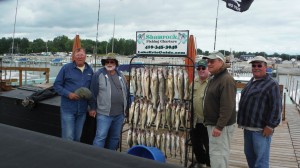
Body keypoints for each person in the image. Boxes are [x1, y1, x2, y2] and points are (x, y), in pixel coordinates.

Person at [237, 56, 282, 168]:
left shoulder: (272, 84)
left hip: (261, 130)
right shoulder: (252, 81)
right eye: (254, 65)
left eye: (259, 65)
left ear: (265, 67)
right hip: (247, 128)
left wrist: (270, 126)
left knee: (261, 161)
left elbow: (276, 107)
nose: (256, 68)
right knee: (250, 156)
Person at [202, 51, 236, 168]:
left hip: (220, 126)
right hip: (213, 124)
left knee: (218, 155)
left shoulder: (226, 79)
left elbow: (228, 106)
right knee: (216, 153)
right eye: (208, 61)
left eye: (212, 61)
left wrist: (219, 126)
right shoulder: (215, 78)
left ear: (221, 62)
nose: (209, 64)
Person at [89, 55, 129, 150]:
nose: (109, 64)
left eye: (112, 62)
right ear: (104, 64)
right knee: (100, 137)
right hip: (104, 113)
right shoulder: (98, 75)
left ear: (116, 63)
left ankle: (110, 156)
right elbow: (92, 93)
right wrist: (92, 108)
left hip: (119, 114)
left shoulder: (121, 75)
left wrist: (127, 108)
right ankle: (96, 158)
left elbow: (126, 93)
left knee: (115, 137)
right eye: (107, 62)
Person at [53, 47, 93, 141]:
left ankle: (74, 155)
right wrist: (68, 94)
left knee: (77, 137)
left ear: (85, 56)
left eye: (82, 55)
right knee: (68, 137)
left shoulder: (90, 70)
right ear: (74, 57)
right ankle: (66, 155)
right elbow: (57, 85)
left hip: (82, 110)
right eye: (77, 55)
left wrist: (92, 107)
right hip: (68, 109)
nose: (80, 57)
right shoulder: (66, 68)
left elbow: (92, 90)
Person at [190, 60, 211, 168]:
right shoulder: (194, 81)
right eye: (198, 68)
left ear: (208, 68)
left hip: (207, 122)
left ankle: (209, 164)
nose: (201, 70)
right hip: (194, 120)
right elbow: (189, 97)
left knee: (209, 145)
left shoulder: (212, 82)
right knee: (196, 144)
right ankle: (201, 162)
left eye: (203, 68)